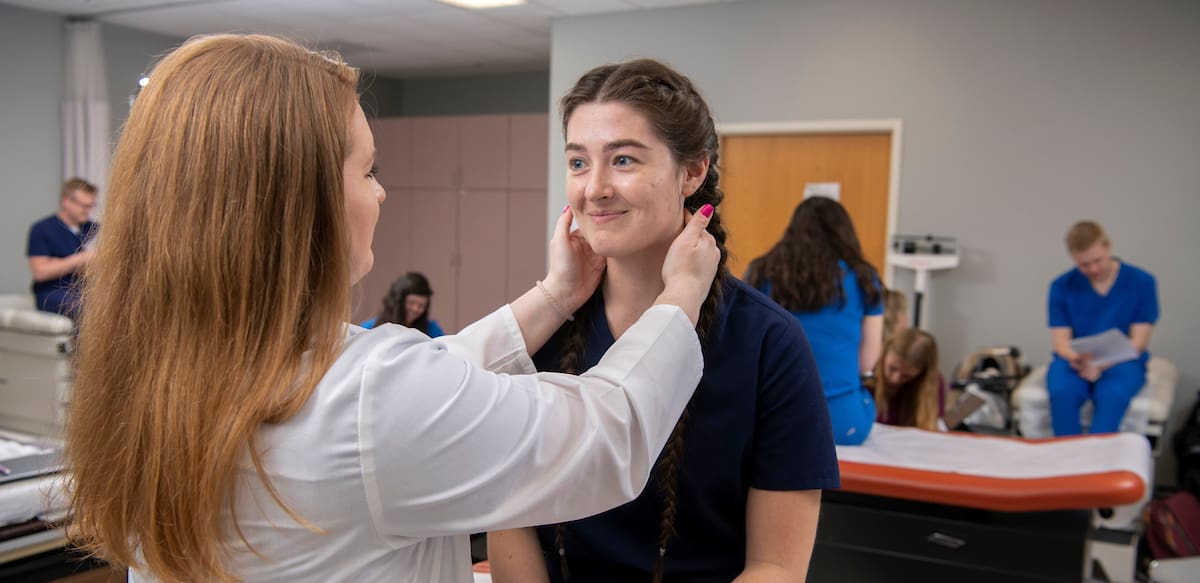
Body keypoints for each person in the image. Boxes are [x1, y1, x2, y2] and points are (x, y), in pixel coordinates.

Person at [64, 35, 722, 583]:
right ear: (303, 204)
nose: (382, 196)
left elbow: (423, 378)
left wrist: (553, 296)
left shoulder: (161, 374)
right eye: (369, 170)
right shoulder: (370, 398)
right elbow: (613, 431)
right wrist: (680, 295)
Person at [488, 59, 837, 583]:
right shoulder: (542, 327)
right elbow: (509, 515)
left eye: (624, 159)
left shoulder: (769, 342)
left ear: (692, 172)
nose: (595, 188)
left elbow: (777, 566)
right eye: (579, 163)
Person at [745, 196, 884, 445]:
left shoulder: (763, 272)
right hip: (842, 422)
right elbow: (867, 364)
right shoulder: (864, 278)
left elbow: (746, 347)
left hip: (772, 417)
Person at [1047, 220, 1158, 436]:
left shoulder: (1142, 282)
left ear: (1108, 247)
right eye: (1084, 265)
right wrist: (1076, 358)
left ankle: (1099, 462)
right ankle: (1064, 460)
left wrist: (1101, 365)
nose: (1093, 269)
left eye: (1098, 260)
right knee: (1062, 392)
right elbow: (1061, 342)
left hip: (1122, 359)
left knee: (1113, 395)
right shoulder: (1061, 286)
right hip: (1077, 360)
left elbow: (1137, 343)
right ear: (1073, 258)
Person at [26, 177, 99, 318]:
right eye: (84, 206)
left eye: (91, 206)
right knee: (88, 309)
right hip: (53, 294)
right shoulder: (42, 229)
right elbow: (40, 272)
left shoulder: (94, 229)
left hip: (87, 290)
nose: (88, 211)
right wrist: (82, 259)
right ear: (66, 201)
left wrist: (57, 264)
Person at [873, 327, 945, 431]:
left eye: (906, 376)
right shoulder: (866, 372)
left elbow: (930, 428)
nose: (895, 379)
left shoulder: (934, 384)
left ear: (921, 373)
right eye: (892, 368)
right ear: (885, 354)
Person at [362, 271, 444, 336]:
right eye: (411, 303)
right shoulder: (371, 328)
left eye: (421, 305)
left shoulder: (433, 330)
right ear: (398, 302)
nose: (416, 309)